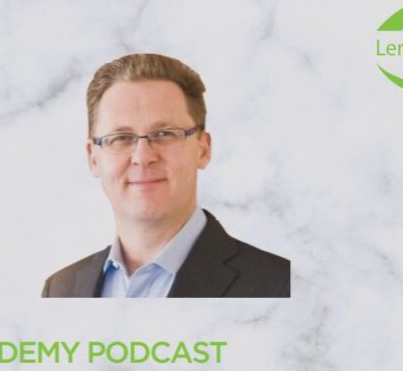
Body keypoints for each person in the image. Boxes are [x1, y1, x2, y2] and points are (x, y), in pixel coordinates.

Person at [42, 53, 289, 298]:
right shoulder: (61, 289)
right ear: (93, 158)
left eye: (165, 134)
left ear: (203, 149)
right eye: (121, 138)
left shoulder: (280, 284)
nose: (143, 156)